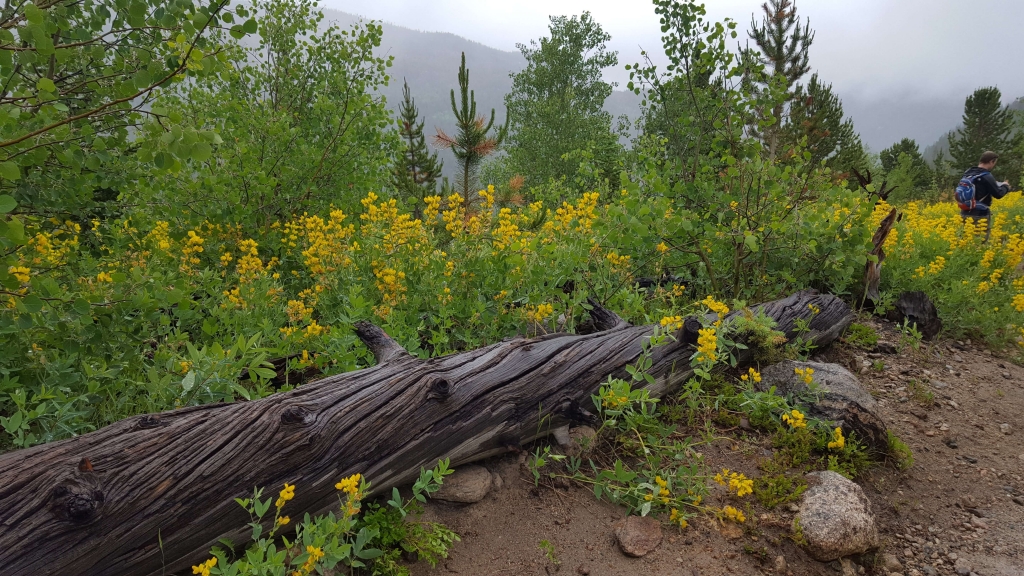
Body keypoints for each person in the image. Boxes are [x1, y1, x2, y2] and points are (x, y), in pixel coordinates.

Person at [960, 151, 1011, 241]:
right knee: (980, 242)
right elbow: (998, 194)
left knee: (966, 241)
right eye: (994, 163)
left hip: (964, 212)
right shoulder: (986, 176)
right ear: (991, 161)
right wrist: (1005, 186)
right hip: (980, 215)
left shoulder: (968, 173)